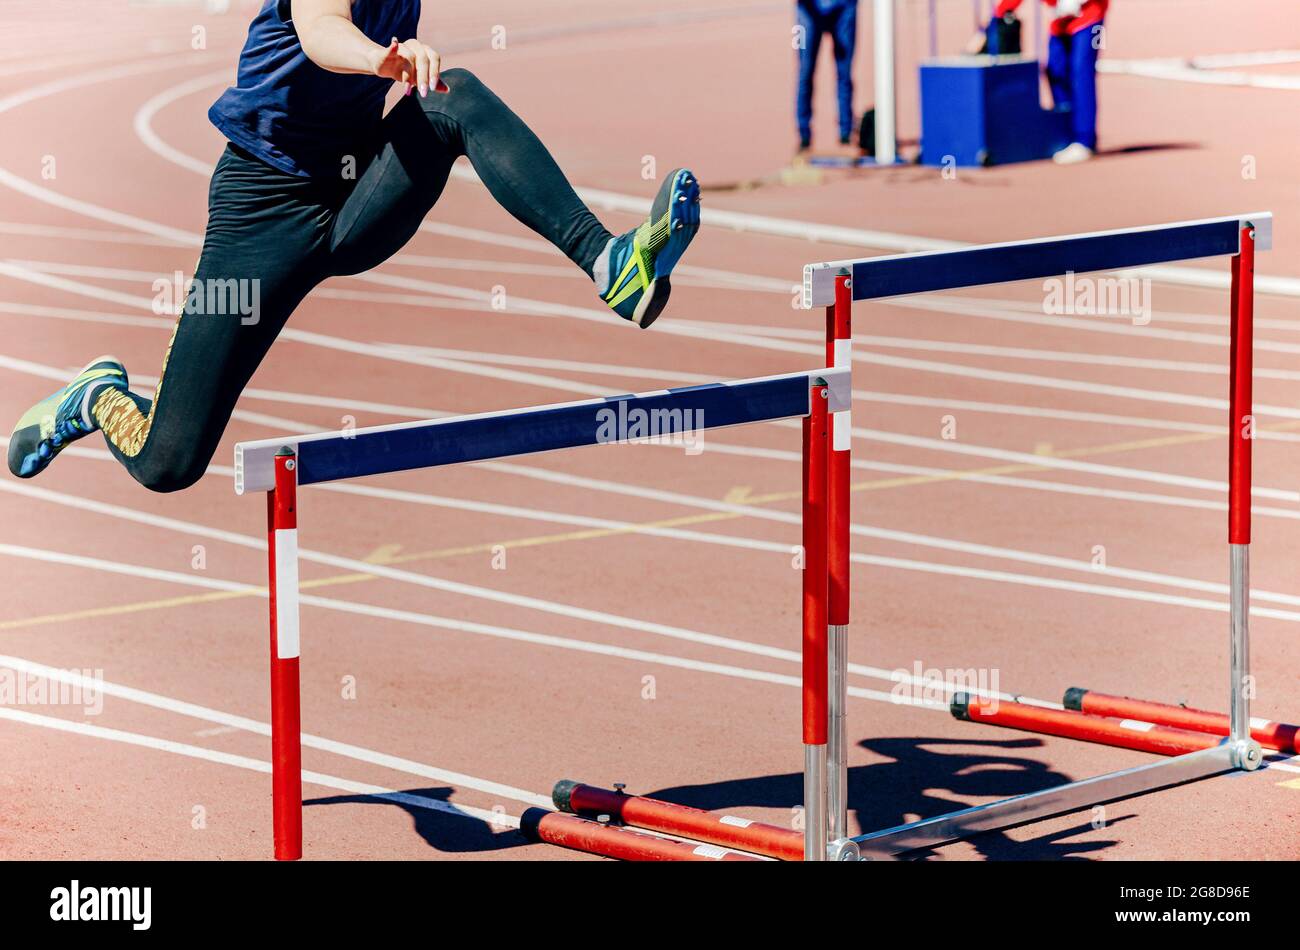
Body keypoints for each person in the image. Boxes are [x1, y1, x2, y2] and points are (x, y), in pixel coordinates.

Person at [8, 0, 701, 490]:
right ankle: (95, 396)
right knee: (169, 464)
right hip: (261, 211)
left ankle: (612, 263)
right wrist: (383, 60)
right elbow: (320, 30)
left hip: (354, 194)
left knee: (454, 95)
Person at [988, 0, 1109, 163]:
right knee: (1055, 70)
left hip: (1091, 16)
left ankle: (1084, 139)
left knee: (1081, 73)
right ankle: (1065, 132)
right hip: (1060, 20)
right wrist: (1000, 13)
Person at [795, 0, 859, 153]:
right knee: (804, 72)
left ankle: (846, 132)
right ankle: (804, 133)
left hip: (844, 8)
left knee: (845, 72)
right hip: (807, 11)